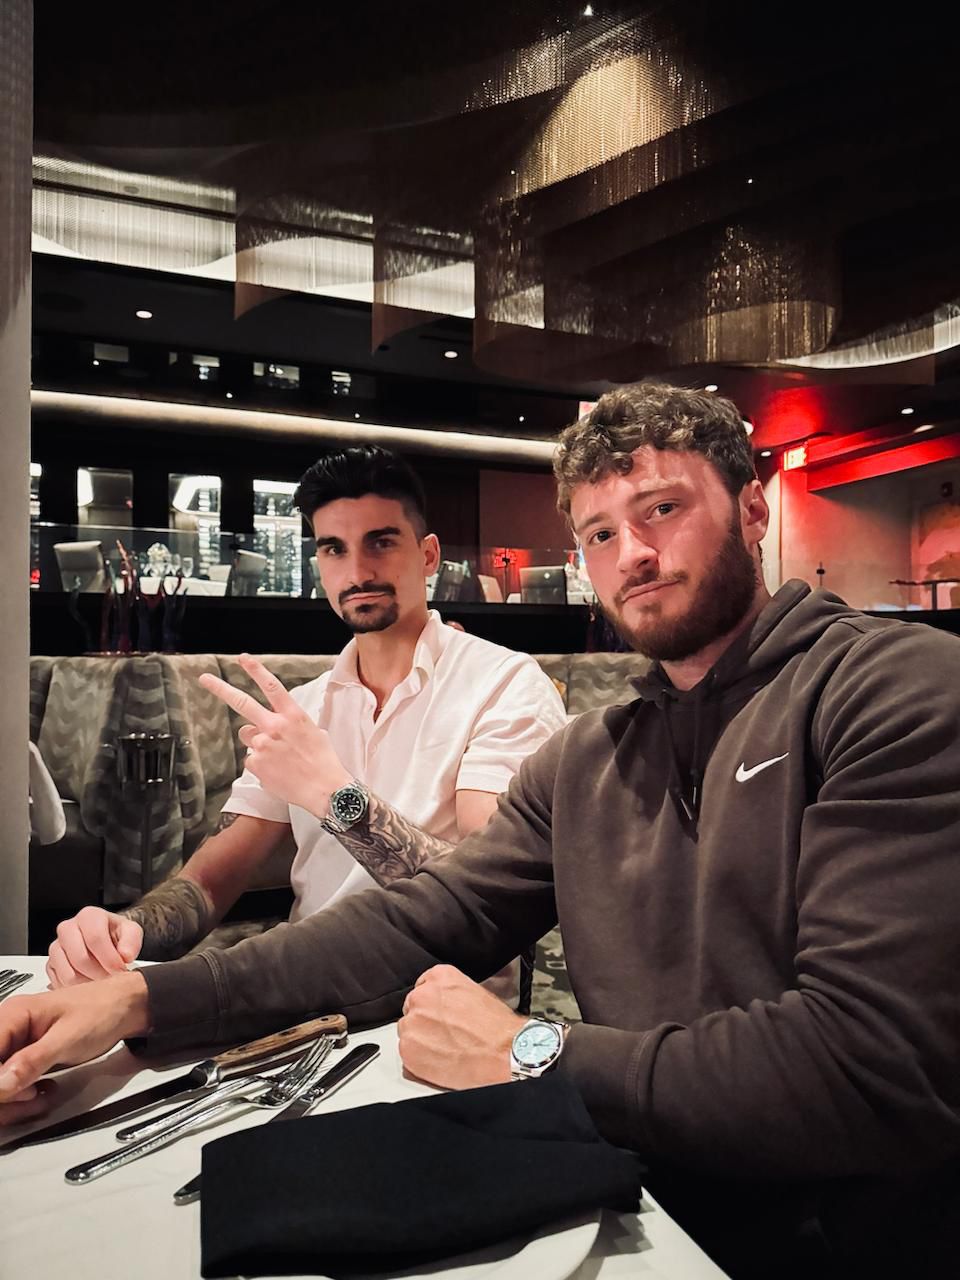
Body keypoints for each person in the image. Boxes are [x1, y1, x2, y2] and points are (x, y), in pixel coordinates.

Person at [3, 383, 959, 1278]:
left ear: (752, 511)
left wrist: (530, 1053)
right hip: (632, 1193)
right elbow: (423, 915)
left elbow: (871, 1067)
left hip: (833, 1238)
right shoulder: (589, 756)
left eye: (662, 509)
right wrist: (140, 998)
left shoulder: (889, 688)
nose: (632, 553)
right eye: (599, 532)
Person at [43, 445, 565, 996]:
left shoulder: (503, 685)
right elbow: (207, 883)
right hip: (303, 990)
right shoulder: (304, 708)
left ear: (428, 554)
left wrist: (335, 796)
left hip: (444, 1002)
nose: (357, 571)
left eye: (381, 542)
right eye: (334, 548)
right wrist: (124, 930)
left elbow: (486, 901)